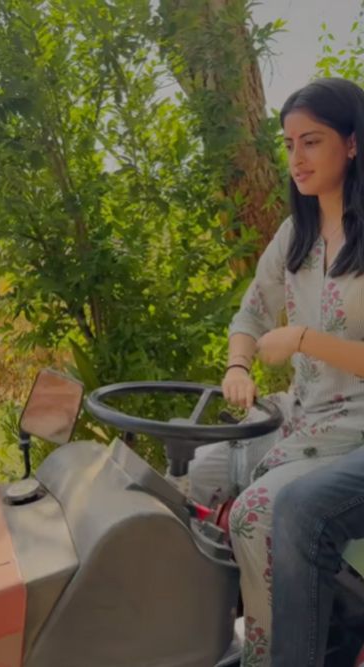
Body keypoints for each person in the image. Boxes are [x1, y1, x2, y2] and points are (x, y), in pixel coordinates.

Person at [182, 77, 364, 665]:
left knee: (263, 511)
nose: (295, 159)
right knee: (203, 468)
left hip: (358, 429)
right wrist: (239, 363)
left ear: (353, 144)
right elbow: (252, 311)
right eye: (288, 144)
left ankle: (275, 656)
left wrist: (308, 340)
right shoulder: (296, 236)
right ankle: (215, 636)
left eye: (311, 142)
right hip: (305, 413)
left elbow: (295, 337)